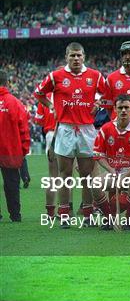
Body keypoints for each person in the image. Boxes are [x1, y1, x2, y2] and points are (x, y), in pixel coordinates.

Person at [34, 42, 105, 228]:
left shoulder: (95, 76)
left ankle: (88, 215)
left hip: (87, 129)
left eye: (79, 55)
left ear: (84, 57)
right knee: (64, 174)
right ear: (66, 57)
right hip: (65, 129)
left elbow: (109, 94)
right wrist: (50, 106)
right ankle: (64, 214)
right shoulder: (56, 76)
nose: (76, 59)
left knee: (86, 174)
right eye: (72, 56)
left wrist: (99, 103)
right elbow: (38, 93)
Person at [92, 94, 130, 230]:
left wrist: (126, 175)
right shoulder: (106, 129)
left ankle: (128, 220)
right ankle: (109, 218)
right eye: (120, 107)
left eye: (126, 107)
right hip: (113, 171)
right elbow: (98, 154)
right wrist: (111, 170)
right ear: (114, 109)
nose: (123, 110)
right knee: (95, 184)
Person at [0, 70, 30, 222]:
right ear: (7, 83)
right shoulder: (15, 102)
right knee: (12, 184)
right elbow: (24, 129)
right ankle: (15, 215)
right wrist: (23, 151)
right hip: (10, 151)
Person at [35, 92, 59, 218]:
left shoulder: (45, 99)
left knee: (52, 176)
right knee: (67, 175)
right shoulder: (68, 94)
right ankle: (65, 210)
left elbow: (38, 120)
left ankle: (50, 212)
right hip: (66, 133)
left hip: (50, 134)